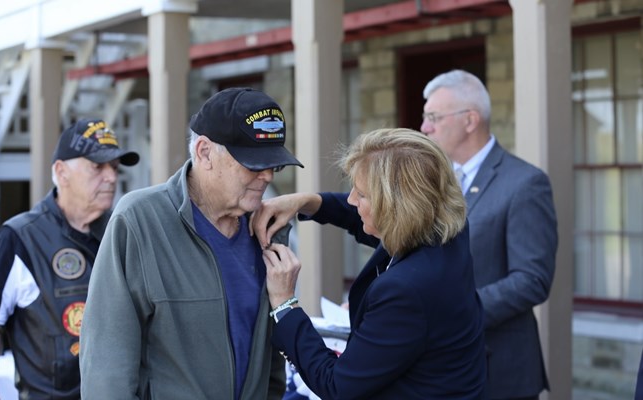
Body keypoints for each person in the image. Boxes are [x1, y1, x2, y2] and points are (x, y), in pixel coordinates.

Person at [79, 87, 303, 400]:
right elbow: (106, 367)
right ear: (204, 152)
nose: (266, 175)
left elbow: (270, 367)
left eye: (274, 165)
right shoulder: (140, 221)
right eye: (253, 163)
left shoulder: (269, 232)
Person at [252, 128, 487, 399]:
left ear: (397, 207)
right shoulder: (446, 229)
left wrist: (284, 304)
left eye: (361, 194)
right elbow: (365, 219)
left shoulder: (405, 290)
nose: (352, 199)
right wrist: (309, 202)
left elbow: (336, 386)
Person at [421, 69, 558, 400]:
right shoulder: (435, 182)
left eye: (433, 117)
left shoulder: (525, 183)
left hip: (498, 372)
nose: (424, 127)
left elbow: (531, 280)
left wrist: (457, 313)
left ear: (470, 120)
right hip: (441, 372)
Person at [0, 118, 139, 400]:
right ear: (61, 172)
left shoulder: (125, 233)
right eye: (97, 167)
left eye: (114, 167)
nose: (111, 177)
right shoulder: (20, 239)